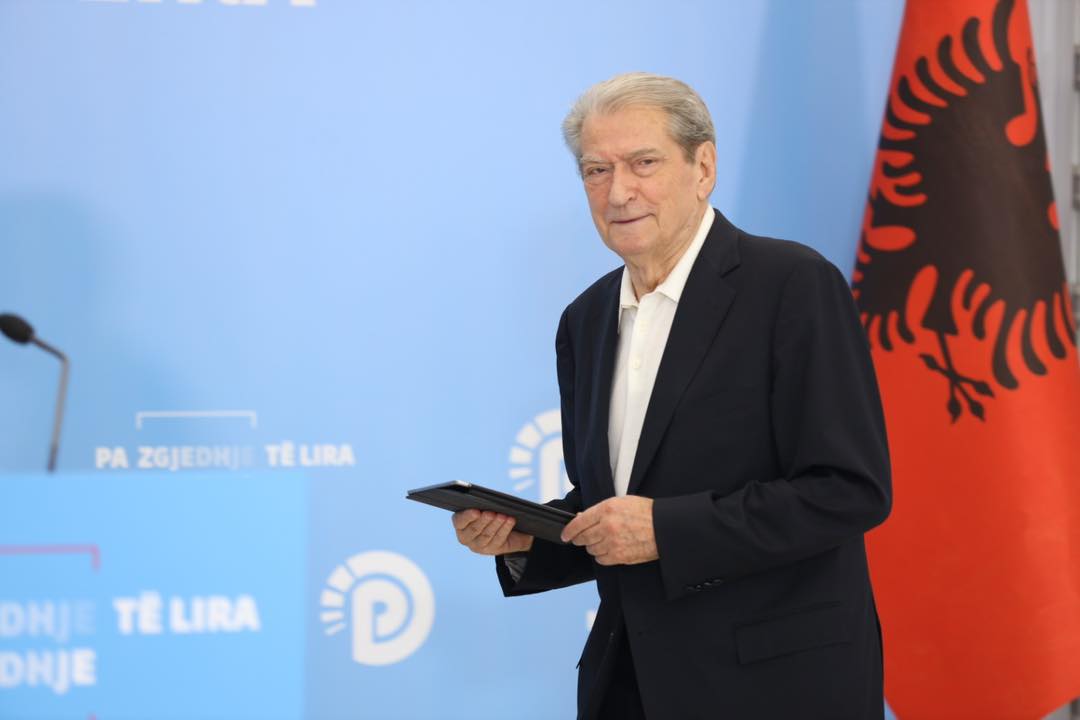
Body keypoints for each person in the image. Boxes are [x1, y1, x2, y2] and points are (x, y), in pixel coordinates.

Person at [452, 72, 891, 719]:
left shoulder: (792, 285)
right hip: (631, 685)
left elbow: (848, 490)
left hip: (775, 687)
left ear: (703, 167)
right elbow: (611, 509)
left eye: (643, 163)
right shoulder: (585, 320)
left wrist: (664, 529)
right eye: (596, 170)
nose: (618, 191)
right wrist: (528, 541)